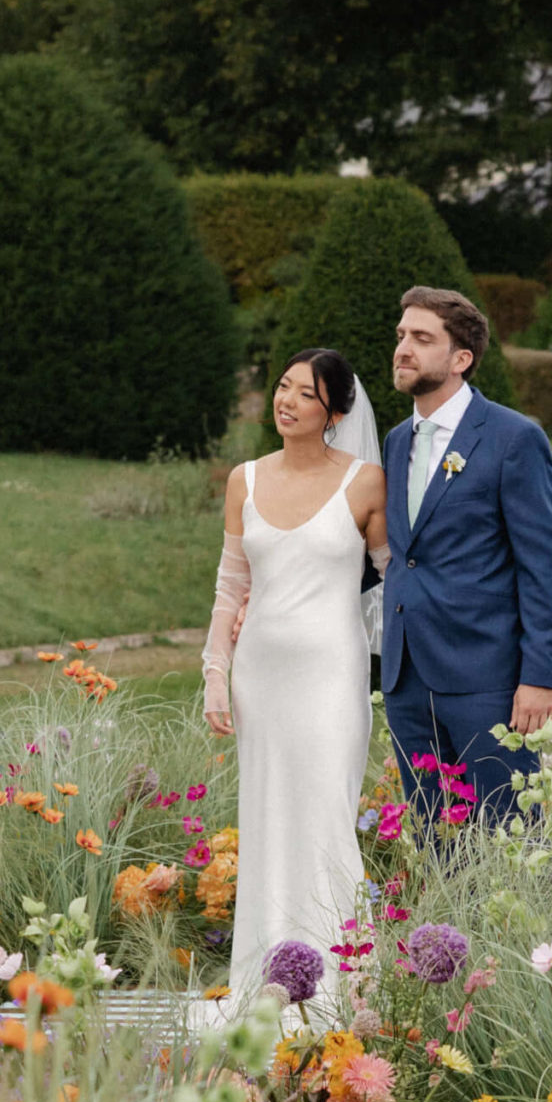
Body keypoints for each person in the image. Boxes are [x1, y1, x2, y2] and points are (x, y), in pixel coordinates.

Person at [203, 347, 388, 999]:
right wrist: (214, 673)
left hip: (333, 676)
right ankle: (266, 984)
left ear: (333, 413)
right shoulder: (244, 480)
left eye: (306, 393)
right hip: (260, 676)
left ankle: (342, 988)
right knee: (268, 822)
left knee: (326, 819)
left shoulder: (365, 482)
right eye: (283, 387)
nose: (286, 401)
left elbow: (395, 580)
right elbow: (230, 587)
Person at [379, 285, 552, 828]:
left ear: (461, 358)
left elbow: (543, 567)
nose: (403, 349)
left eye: (421, 338)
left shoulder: (513, 438)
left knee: (512, 839)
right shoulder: (396, 441)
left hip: (488, 680)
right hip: (407, 680)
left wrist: (541, 676)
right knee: (436, 840)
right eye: (401, 336)